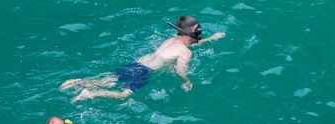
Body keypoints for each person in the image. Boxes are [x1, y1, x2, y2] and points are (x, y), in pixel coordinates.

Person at [60, 16, 225, 102]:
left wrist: (212, 39)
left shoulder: (171, 40)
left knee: (108, 79)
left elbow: (191, 44)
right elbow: (180, 70)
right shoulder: (185, 53)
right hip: (144, 72)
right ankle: (90, 93)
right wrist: (187, 81)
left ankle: (78, 81)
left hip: (136, 64)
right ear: (194, 33)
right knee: (124, 95)